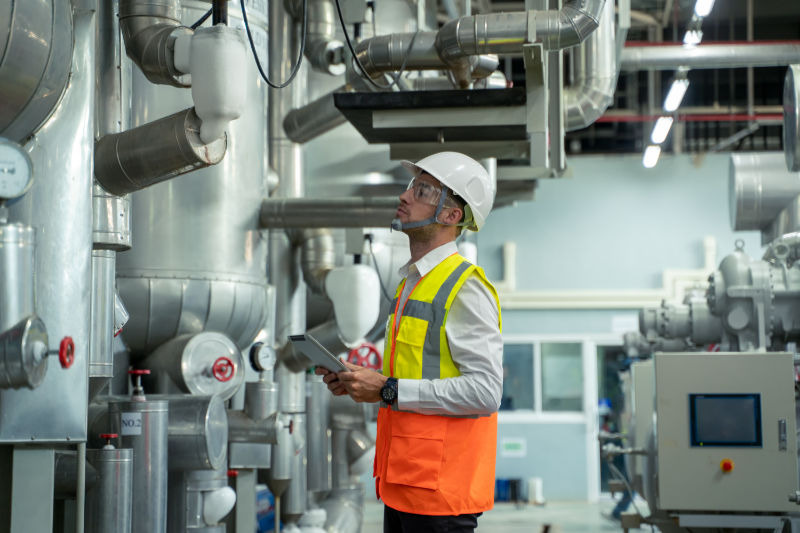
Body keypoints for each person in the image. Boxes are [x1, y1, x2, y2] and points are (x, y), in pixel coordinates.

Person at [316, 151, 503, 533]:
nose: (404, 196)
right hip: (405, 487)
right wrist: (363, 383)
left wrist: (386, 390)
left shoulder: (464, 287)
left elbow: (485, 392)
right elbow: (413, 377)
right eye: (409, 187)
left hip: (440, 495)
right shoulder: (412, 284)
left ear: (452, 215)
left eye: (421, 190)